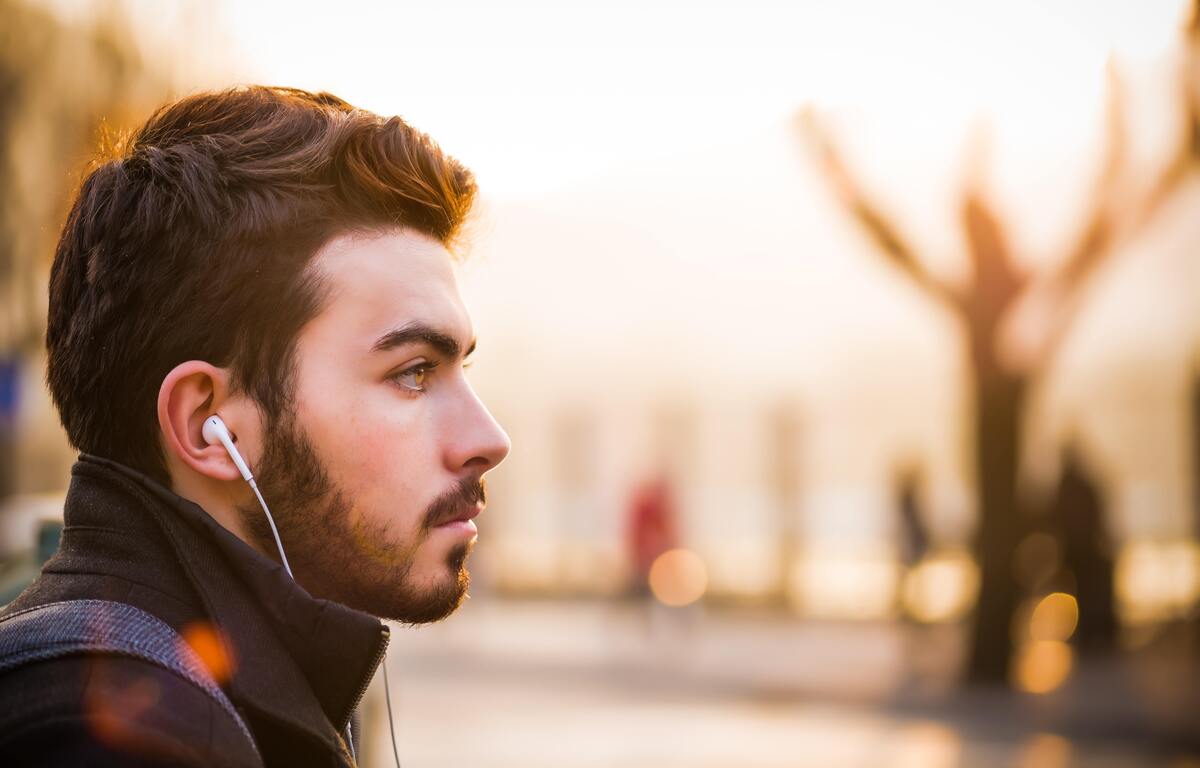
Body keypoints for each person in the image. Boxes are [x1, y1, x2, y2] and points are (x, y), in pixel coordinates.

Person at [0, 86, 510, 766]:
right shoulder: (128, 737)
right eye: (413, 372)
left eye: (461, 369)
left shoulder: (194, 696)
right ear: (208, 423)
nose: (488, 440)